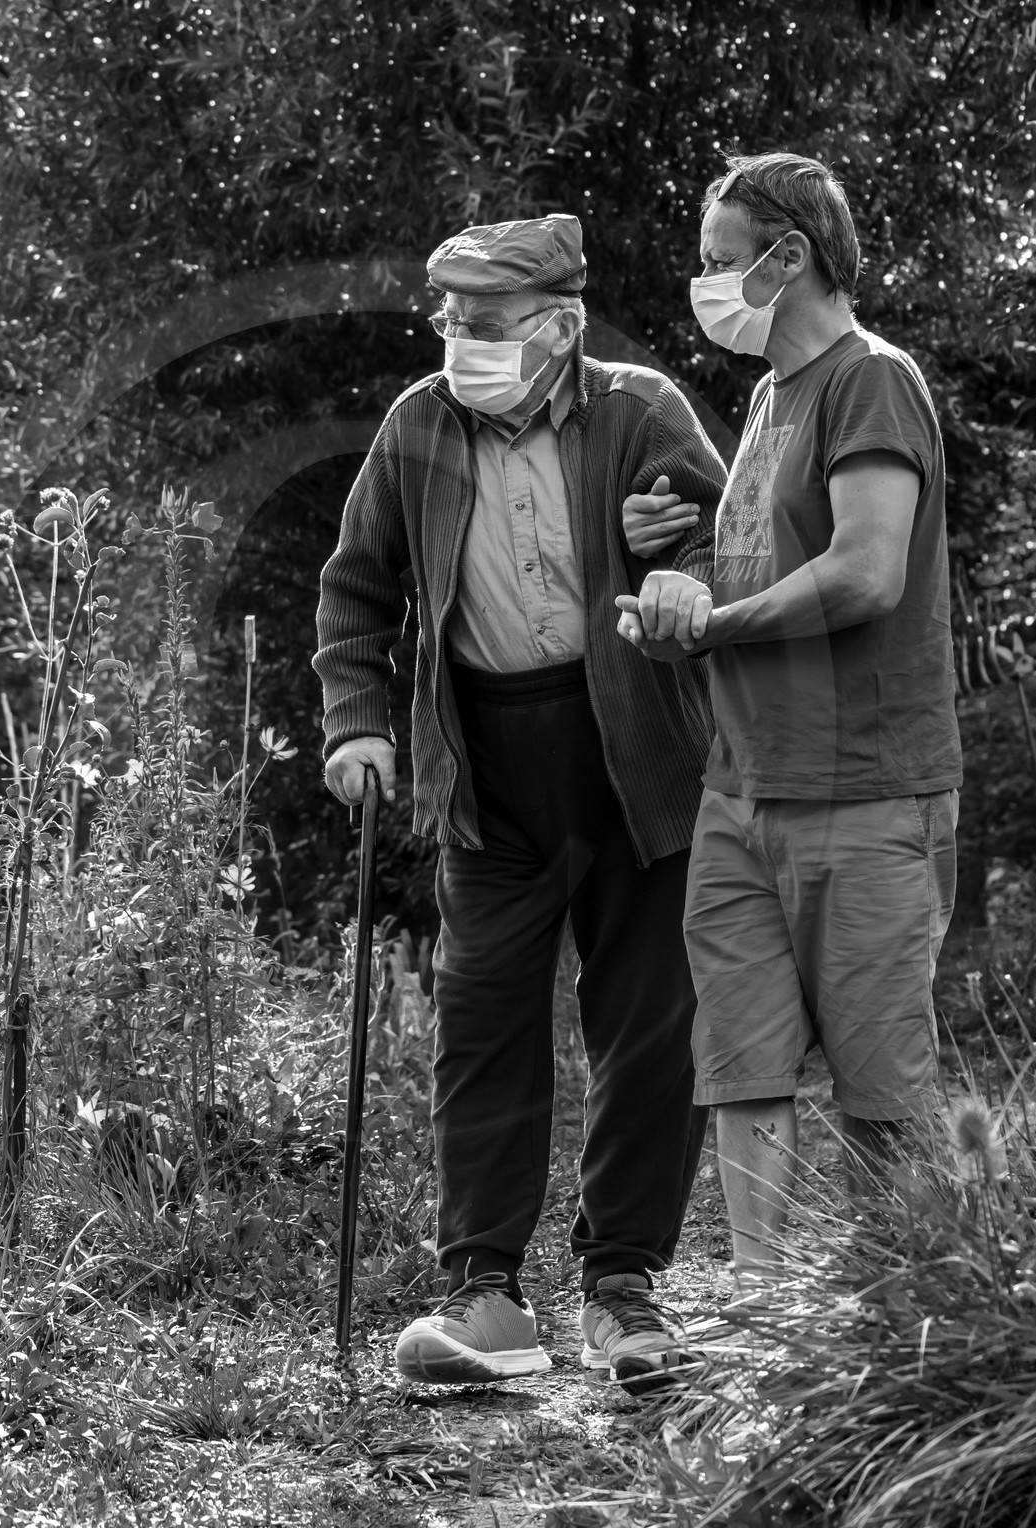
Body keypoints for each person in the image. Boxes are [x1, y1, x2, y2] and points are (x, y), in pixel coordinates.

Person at [315, 213, 727, 1386]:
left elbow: (728, 556)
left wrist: (673, 554)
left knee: (651, 1028)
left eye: (484, 323)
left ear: (557, 327)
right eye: (448, 320)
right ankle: (486, 1295)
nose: (458, 341)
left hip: (636, 756)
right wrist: (359, 724)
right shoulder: (415, 428)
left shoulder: (639, 409)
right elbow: (354, 592)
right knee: (482, 1023)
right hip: (486, 771)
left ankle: (623, 1287)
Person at [616, 153, 961, 1296]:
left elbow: (864, 572)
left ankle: (897, 1325)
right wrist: (675, 554)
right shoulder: (771, 397)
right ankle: (763, 1323)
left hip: (866, 790)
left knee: (880, 1094)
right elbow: (765, 557)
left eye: (720, 261)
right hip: (743, 789)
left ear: (789, 256)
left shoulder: (873, 381)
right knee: (742, 1070)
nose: (706, 285)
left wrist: (713, 624)